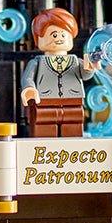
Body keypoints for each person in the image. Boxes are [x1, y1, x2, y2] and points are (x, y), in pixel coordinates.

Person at [20, 8, 94, 137]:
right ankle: (46, 146)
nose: (59, 38)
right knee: (44, 124)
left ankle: (73, 146)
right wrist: (29, 88)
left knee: (74, 124)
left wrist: (90, 68)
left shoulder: (76, 61)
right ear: (38, 39)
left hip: (73, 101)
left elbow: (85, 75)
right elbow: (27, 78)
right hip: (45, 101)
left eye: (63, 35)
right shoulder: (37, 63)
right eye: (54, 35)